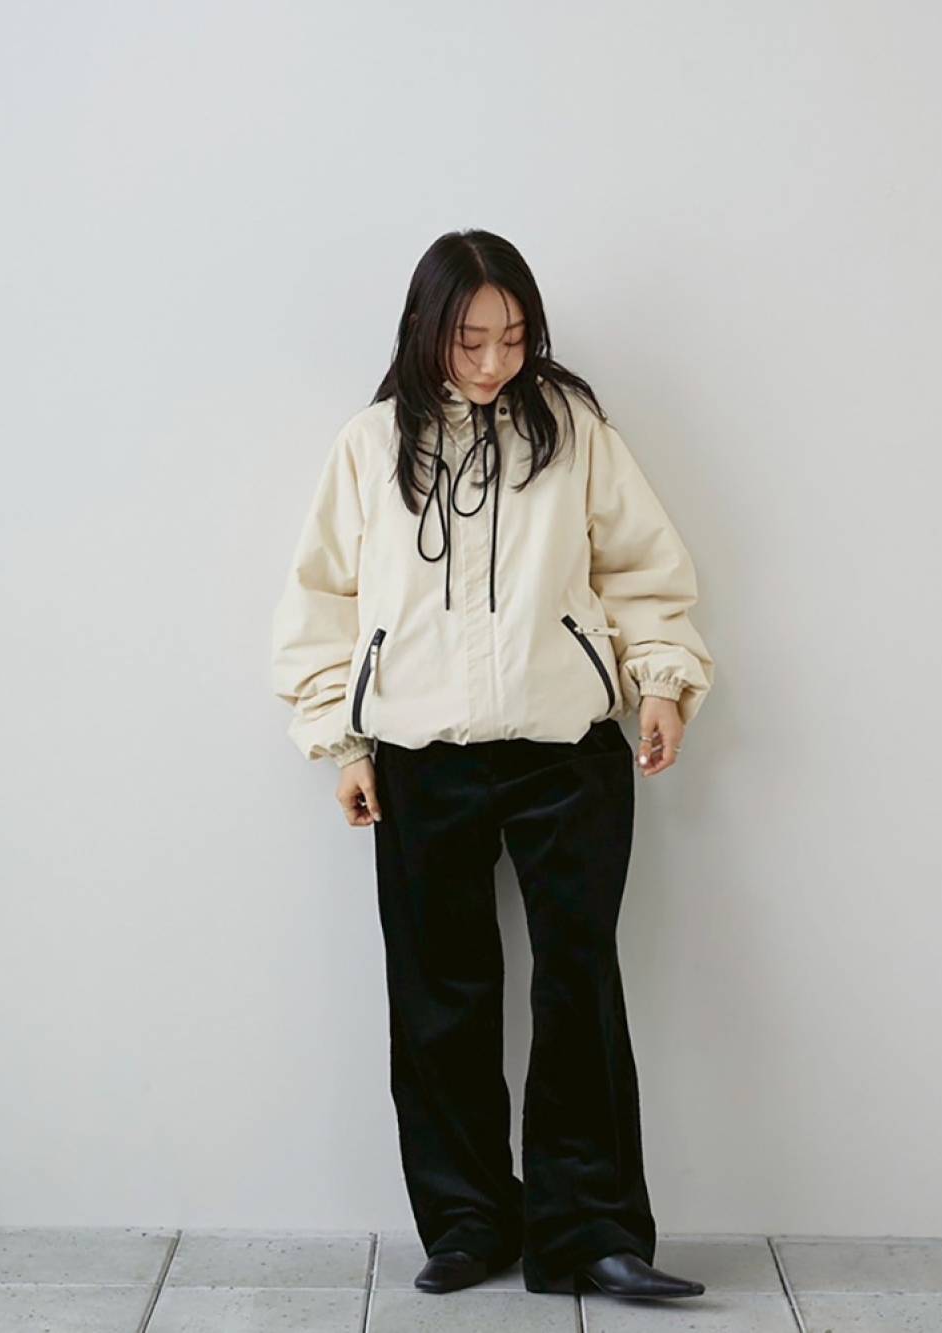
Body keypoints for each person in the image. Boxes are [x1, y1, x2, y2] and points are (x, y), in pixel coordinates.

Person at [271, 229, 715, 1302]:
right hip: (421, 759)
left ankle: (589, 1231)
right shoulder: (370, 446)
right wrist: (342, 741)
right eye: (469, 339)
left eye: (512, 339)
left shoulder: (572, 431)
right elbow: (321, 602)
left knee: (578, 985)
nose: (491, 362)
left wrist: (661, 680)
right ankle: (469, 1221)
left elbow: (642, 568)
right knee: (439, 997)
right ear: (426, 329)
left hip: (567, 752)